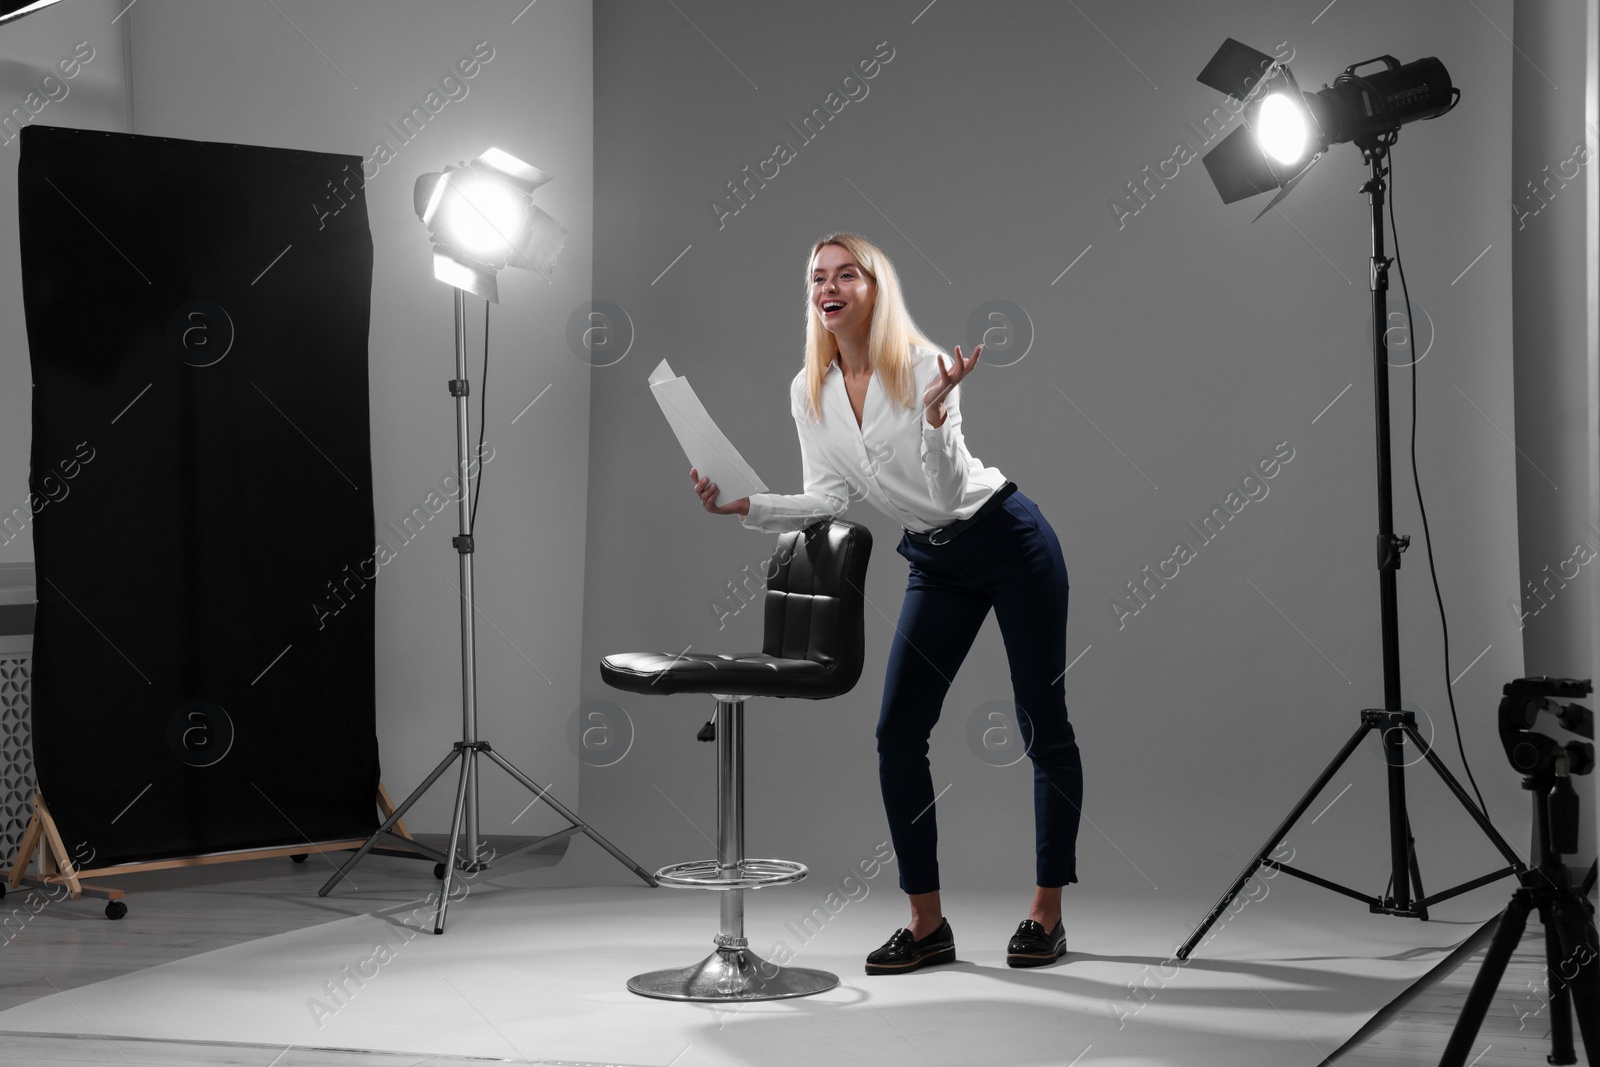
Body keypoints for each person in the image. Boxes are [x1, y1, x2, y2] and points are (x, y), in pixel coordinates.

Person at [689, 232, 1082, 973]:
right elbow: (828, 498)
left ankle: (1045, 912)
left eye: (845, 275)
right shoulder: (810, 391)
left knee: (1042, 719)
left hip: (1008, 541)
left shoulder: (928, 367)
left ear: (875, 289)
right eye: (817, 278)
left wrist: (934, 417)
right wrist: (743, 504)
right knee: (898, 732)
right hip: (936, 561)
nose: (828, 287)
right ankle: (927, 924)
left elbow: (940, 492)